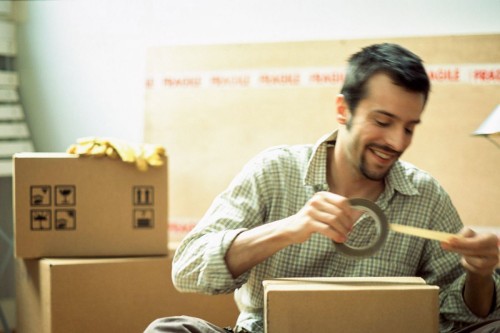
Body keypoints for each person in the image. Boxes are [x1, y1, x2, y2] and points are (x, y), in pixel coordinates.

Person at [145, 43, 500, 333]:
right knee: (169, 330)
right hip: (270, 330)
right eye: (382, 121)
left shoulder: (425, 195)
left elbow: (468, 312)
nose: (397, 141)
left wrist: (479, 274)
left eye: (409, 127)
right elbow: (187, 269)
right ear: (343, 109)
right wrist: (288, 228)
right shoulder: (275, 170)